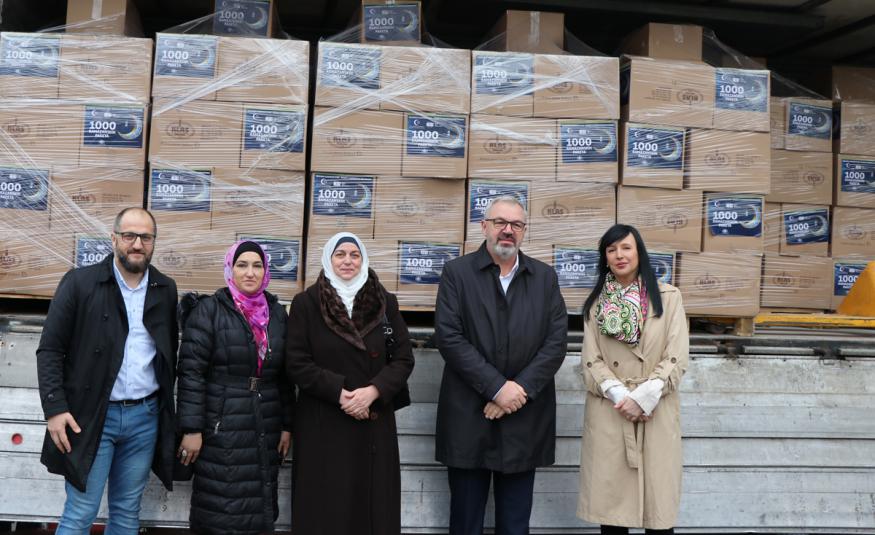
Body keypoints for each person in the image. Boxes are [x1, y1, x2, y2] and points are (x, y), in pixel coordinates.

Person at [36, 207, 178, 534]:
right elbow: (50, 350)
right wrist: (55, 409)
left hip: (144, 418)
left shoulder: (165, 289)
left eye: (146, 237)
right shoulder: (80, 283)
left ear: (154, 242)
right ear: (113, 239)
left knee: (127, 513)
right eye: (129, 236)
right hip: (91, 416)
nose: (137, 244)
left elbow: (168, 354)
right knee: (80, 512)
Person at [434, 195, 568, 535]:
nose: (508, 230)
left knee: (515, 524)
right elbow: (449, 338)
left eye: (516, 224)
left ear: (524, 231)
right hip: (469, 416)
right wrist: (496, 388)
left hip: (524, 418)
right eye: (500, 223)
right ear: (484, 226)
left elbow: (556, 343)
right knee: (465, 522)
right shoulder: (457, 273)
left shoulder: (544, 278)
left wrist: (516, 391)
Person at [285, 232, 414, 535]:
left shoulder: (385, 303)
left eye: (354, 255)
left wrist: (373, 391)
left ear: (363, 260)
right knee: (326, 507)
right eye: (340, 254)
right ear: (328, 259)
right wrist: (340, 394)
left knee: (371, 508)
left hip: (373, 422)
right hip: (323, 421)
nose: (347, 261)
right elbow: (296, 362)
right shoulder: (307, 303)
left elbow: (403, 358)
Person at [576, 224, 689, 535]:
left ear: (639, 252)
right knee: (613, 515)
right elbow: (590, 360)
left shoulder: (668, 297)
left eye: (626, 247)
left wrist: (644, 397)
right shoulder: (596, 303)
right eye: (611, 250)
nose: (619, 255)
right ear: (605, 258)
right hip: (612, 411)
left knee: (658, 513)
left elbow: (676, 355)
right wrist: (620, 396)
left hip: (656, 409)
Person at [175, 240, 292, 534]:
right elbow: (191, 373)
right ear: (230, 269)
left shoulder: (277, 314)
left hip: (265, 423)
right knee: (221, 507)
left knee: (259, 505)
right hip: (221, 425)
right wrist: (191, 429)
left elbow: (285, 375)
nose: (250, 272)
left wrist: (287, 424)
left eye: (257, 265)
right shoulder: (209, 311)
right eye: (242, 265)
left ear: (265, 271)